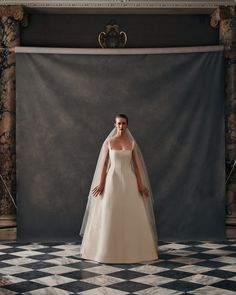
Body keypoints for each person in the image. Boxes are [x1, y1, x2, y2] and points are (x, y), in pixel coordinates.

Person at [79, 114, 158, 263]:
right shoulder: (109, 142)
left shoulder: (132, 143)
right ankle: (106, 251)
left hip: (129, 180)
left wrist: (141, 184)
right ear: (114, 125)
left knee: (131, 212)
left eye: (124, 124)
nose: (121, 126)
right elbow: (103, 165)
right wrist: (101, 183)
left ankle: (134, 251)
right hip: (112, 181)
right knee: (110, 211)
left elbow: (136, 166)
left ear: (127, 125)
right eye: (119, 124)